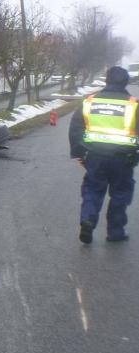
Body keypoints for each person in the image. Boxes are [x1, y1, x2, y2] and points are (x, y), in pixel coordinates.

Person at [69, 66, 138, 244]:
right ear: (126, 82)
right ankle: (115, 233)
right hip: (123, 159)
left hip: (95, 156)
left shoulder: (89, 102)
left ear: (106, 80)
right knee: (120, 194)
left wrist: (79, 153)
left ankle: (88, 219)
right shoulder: (133, 105)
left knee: (92, 189)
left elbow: (76, 128)